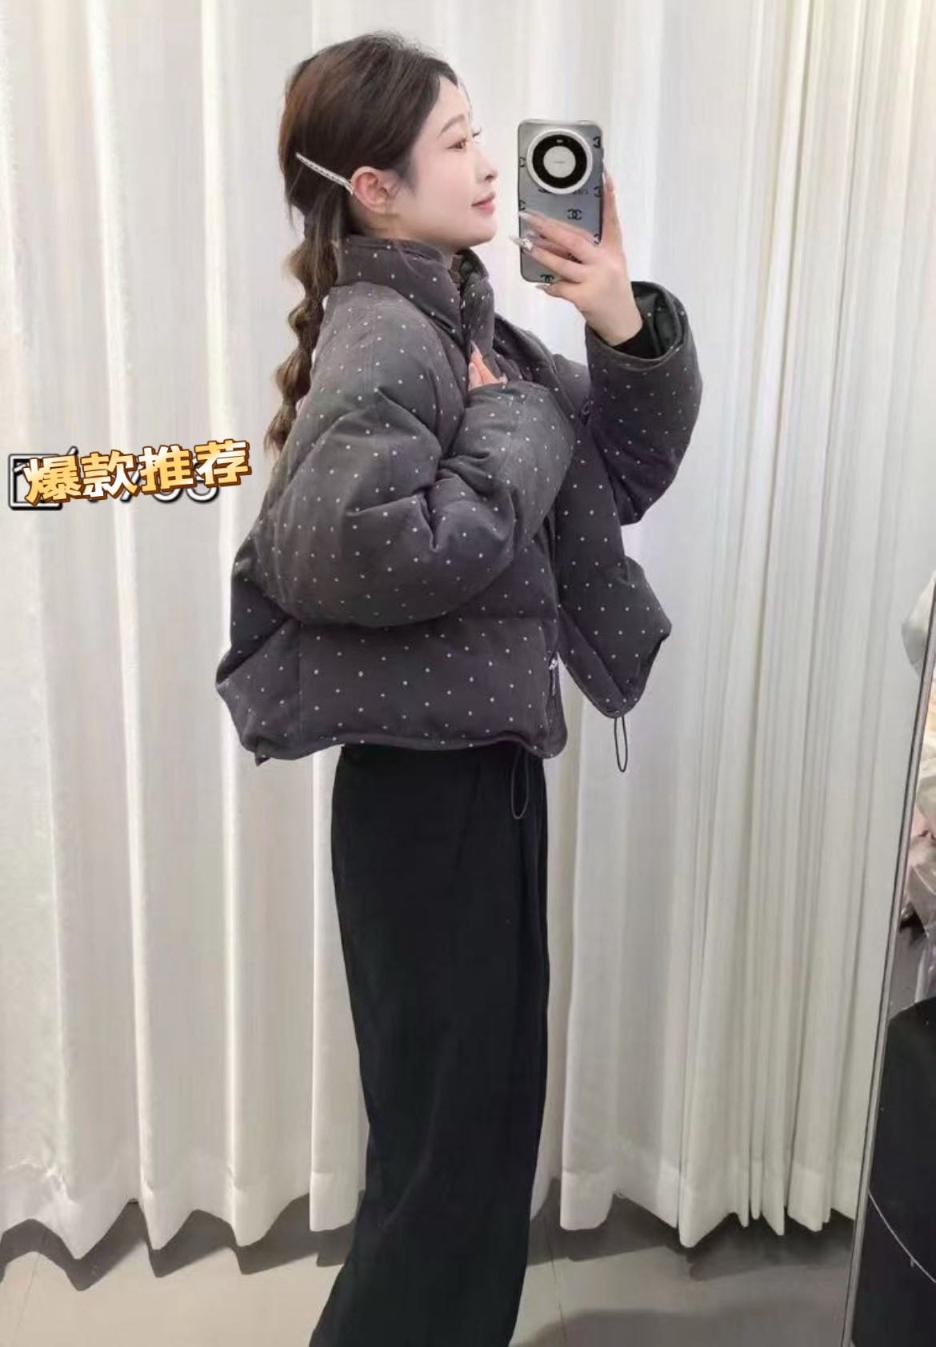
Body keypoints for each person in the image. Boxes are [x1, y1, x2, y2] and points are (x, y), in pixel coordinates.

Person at [215, 28, 702, 1347]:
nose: (489, 163)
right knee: (447, 1160)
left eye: (482, 134)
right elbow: (352, 548)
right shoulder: (389, 337)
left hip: (471, 784)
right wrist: (511, 425)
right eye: (456, 142)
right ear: (375, 189)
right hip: (426, 807)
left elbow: (619, 474)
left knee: (471, 1139)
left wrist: (617, 316)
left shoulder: (464, 325)